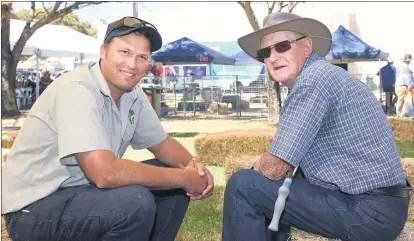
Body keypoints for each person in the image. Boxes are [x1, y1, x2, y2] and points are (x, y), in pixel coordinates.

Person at [2, 16, 214, 241]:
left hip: (79, 193)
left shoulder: (133, 94)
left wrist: (195, 168)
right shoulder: (77, 89)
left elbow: (162, 144)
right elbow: (104, 173)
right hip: (33, 209)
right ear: (103, 51)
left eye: (142, 57)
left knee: (169, 186)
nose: (132, 65)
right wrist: (183, 177)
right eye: (124, 52)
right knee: (134, 203)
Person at [222, 12, 411, 241]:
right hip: (378, 206)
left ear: (307, 46)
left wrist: (253, 169)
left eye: (281, 46)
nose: (272, 57)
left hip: (368, 210)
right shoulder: (322, 75)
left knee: (243, 185)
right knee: (275, 187)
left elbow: (274, 167)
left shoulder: (313, 80)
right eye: (265, 52)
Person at [394, 53, 414, 118]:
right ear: (408, 60)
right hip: (402, 86)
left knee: (401, 100)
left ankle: (400, 114)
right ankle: (399, 115)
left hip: (398, 85)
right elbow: (407, 77)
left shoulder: (399, 65)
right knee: (402, 100)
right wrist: (410, 85)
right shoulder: (405, 66)